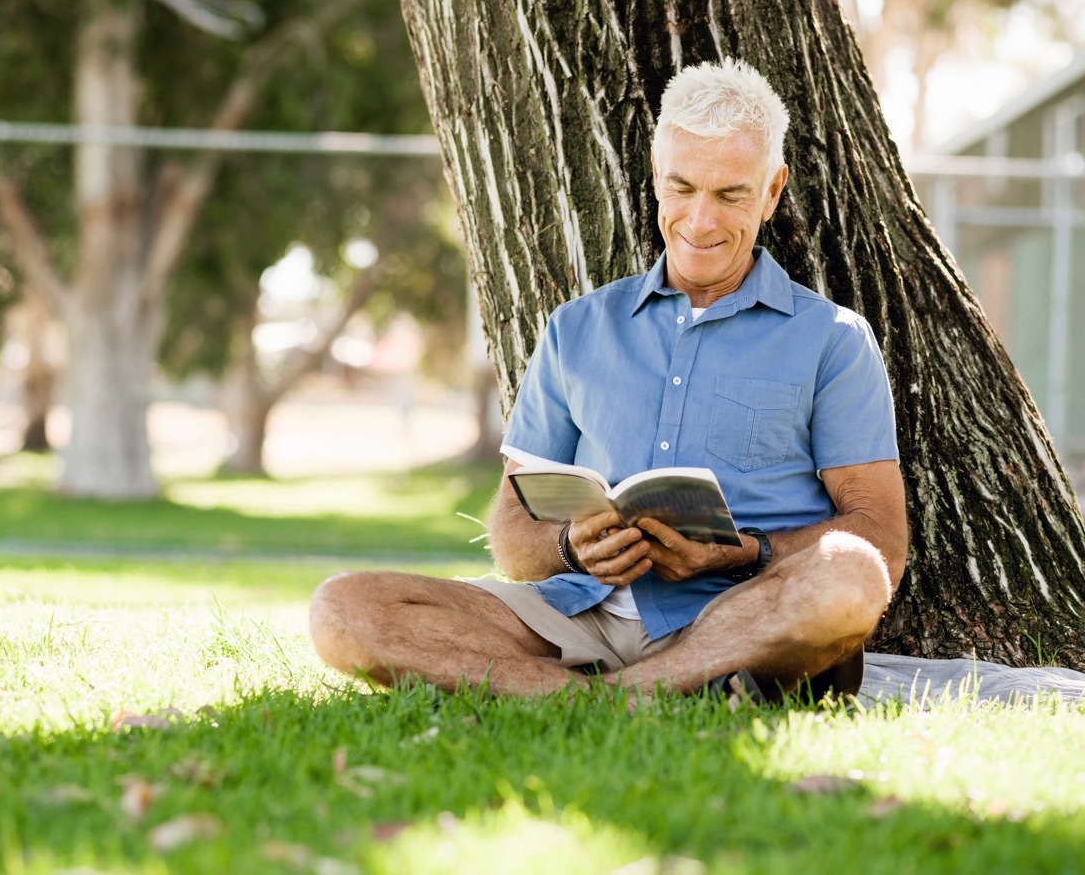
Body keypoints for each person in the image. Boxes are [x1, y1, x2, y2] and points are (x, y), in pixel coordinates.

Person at [309, 58, 909, 703]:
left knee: (851, 575)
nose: (700, 222)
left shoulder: (832, 339)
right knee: (344, 608)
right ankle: (622, 697)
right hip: (578, 612)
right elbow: (512, 532)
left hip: (740, 618)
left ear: (771, 191)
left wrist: (744, 553)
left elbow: (882, 537)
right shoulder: (577, 328)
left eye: (730, 194)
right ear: (656, 179)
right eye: (682, 189)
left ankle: (599, 694)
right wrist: (571, 546)